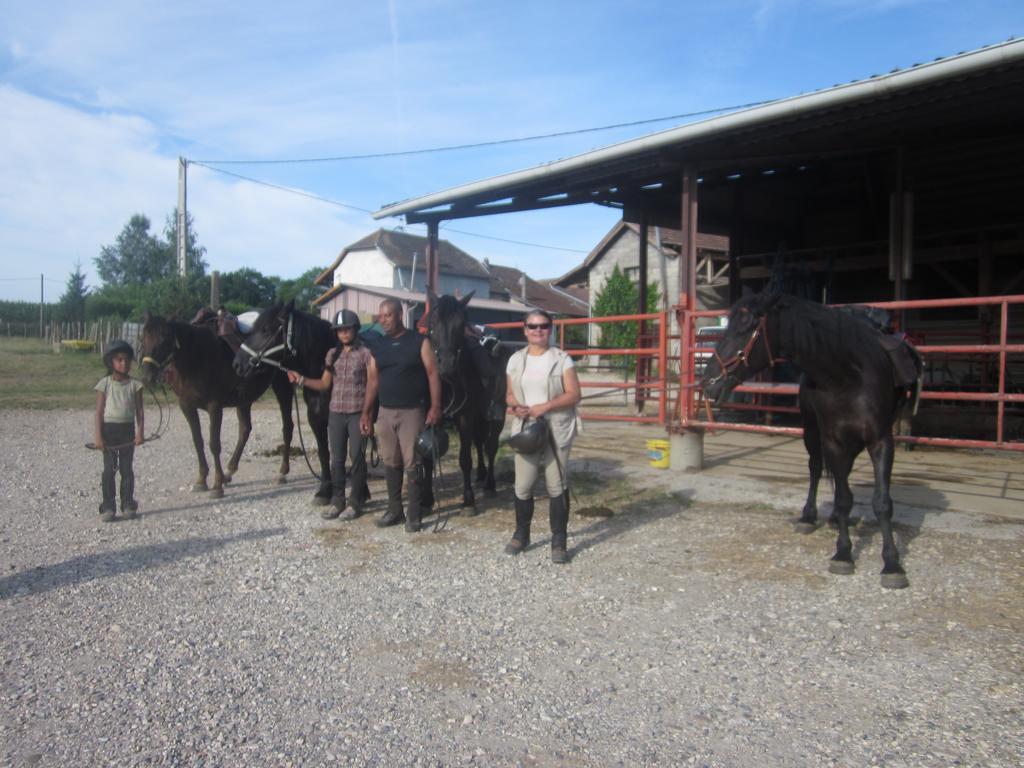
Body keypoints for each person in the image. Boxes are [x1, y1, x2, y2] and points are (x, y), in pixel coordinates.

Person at [504, 309, 582, 563]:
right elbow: (508, 395)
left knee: (556, 484)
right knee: (523, 485)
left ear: (551, 328)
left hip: (555, 427)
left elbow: (574, 394)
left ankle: (558, 540)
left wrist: (546, 406)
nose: (539, 330)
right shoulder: (515, 360)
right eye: (533, 326)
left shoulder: (562, 360)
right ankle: (521, 534)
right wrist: (517, 406)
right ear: (524, 329)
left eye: (544, 326)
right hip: (526, 428)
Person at [362, 298, 442, 533]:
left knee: (413, 462)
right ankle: (394, 509)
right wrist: (366, 412)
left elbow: (432, 374)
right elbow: (372, 381)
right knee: (390, 461)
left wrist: (435, 406)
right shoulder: (378, 346)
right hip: (385, 412)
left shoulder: (419, 341)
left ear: (399, 315)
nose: (383, 320)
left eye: (388, 315)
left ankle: (414, 514)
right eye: (381, 316)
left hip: (412, 411)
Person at [288, 309, 372, 521]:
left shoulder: (365, 354)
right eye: (340, 330)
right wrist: (302, 380)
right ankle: (337, 500)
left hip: (356, 413)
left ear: (355, 330)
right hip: (336, 413)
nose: (344, 333)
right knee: (337, 459)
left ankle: (355, 501)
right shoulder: (331, 355)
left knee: (357, 456)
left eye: (347, 329)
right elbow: (325, 383)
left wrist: (367, 413)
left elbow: (373, 383)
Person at [94, 339, 145, 522]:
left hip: (127, 430)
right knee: (109, 469)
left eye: (127, 360)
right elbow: (99, 412)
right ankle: (108, 506)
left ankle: (127, 504)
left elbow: (139, 411)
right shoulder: (104, 384)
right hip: (109, 430)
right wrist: (98, 436)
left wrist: (140, 433)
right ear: (111, 362)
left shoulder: (135, 385)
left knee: (126, 468)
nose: (124, 363)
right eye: (119, 360)